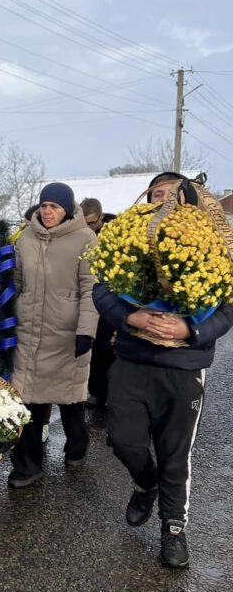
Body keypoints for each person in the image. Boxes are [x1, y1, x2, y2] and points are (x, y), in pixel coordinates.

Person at [92, 171, 233, 568]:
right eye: (156, 194)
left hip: (184, 366)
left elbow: (227, 307)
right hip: (133, 360)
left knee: (175, 453)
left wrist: (191, 327)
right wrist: (130, 317)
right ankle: (143, 482)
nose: (164, 201)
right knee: (122, 439)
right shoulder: (129, 238)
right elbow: (102, 289)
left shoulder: (214, 245)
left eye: (172, 194)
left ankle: (173, 528)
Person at [8, 183, 98, 488]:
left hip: (66, 336)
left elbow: (91, 289)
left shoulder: (85, 238)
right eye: (44, 205)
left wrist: (86, 331)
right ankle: (28, 466)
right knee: (28, 402)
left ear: (67, 209)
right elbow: (16, 281)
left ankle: (77, 445)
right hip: (29, 332)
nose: (47, 212)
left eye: (54, 206)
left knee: (70, 402)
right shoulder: (26, 237)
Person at [80, 197, 117, 407]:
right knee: (92, 347)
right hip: (88, 296)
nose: (88, 228)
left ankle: (111, 393)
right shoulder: (80, 236)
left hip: (109, 296)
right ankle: (96, 391)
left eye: (92, 223)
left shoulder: (114, 235)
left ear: (101, 218)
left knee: (107, 347)